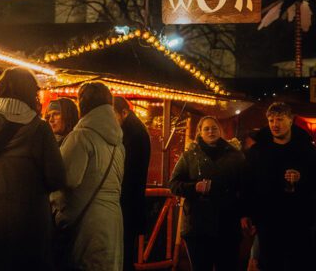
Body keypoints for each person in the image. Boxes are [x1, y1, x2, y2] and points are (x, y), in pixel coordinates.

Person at [0, 67, 66, 271]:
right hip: (31, 219)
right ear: (31, 93)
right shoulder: (40, 128)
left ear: (1, 89)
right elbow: (57, 178)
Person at [51, 81, 125, 271]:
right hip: (113, 221)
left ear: (82, 104)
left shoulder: (81, 136)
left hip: (87, 225)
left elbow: (65, 178)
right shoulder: (118, 144)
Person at [240, 102, 316, 271]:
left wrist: (302, 177)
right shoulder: (258, 151)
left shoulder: (306, 149)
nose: (275, 124)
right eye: (271, 120)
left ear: (290, 120)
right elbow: (247, 183)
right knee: (270, 263)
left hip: (299, 219)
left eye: (280, 119)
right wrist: (245, 212)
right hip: (268, 220)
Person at [169, 116, 244, 271]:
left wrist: (244, 213)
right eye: (207, 129)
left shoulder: (235, 156)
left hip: (227, 225)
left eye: (214, 128)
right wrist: (194, 187)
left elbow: (245, 186)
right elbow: (174, 184)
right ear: (200, 132)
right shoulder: (189, 156)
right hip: (197, 226)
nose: (211, 132)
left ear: (220, 131)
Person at [113, 96, 151, 271]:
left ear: (124, 112)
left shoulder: (131, 133)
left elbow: (126, 170)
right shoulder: (136, 130)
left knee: (123, 255)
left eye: (112, 115)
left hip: (126, 204)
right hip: (131, 204)